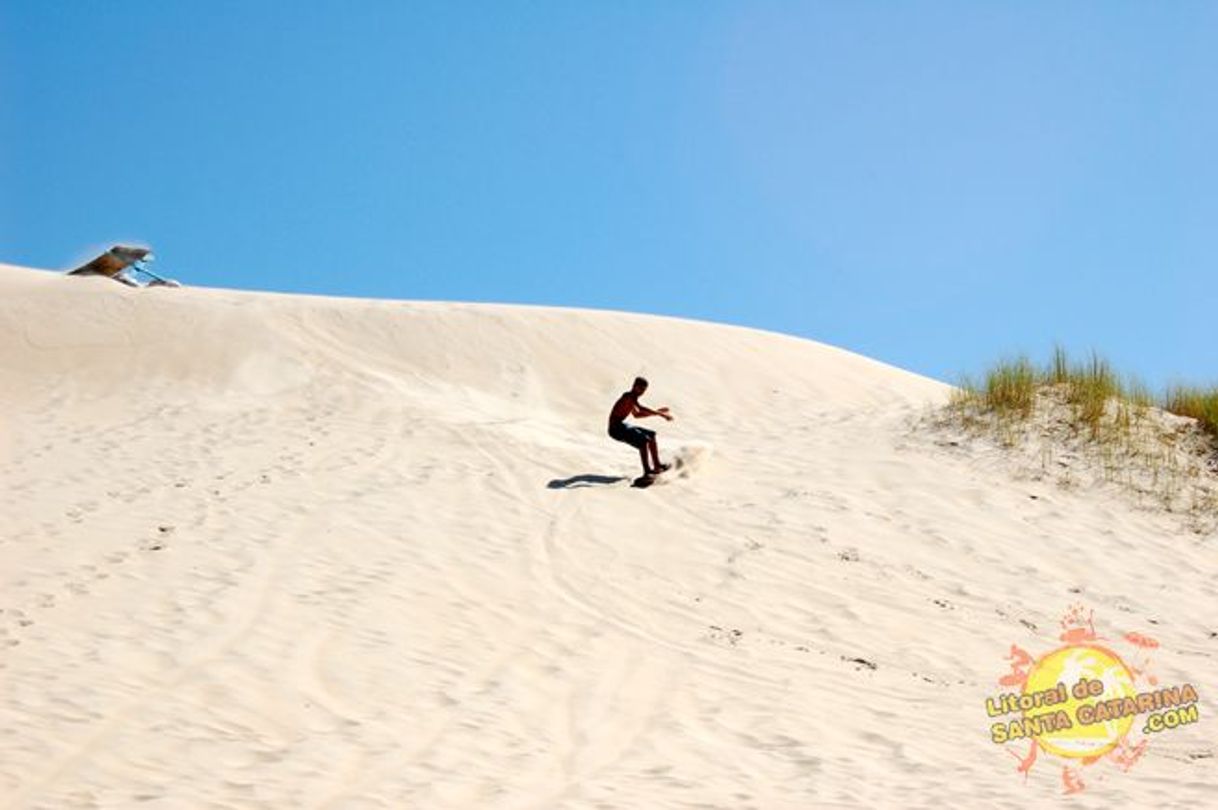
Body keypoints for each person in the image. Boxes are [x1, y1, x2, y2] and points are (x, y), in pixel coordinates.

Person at [608, 376, 673, 477]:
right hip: (615, 429)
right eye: (641, 389)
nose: (642, 392)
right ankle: (647, 472)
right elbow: (641, 408)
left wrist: (657, 413)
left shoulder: (633, 399)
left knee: (651, 435)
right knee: (643, 441)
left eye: (644, 390)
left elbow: (637, 415)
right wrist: (660, 414)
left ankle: (657, 466)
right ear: (634, 386)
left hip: (621, 425)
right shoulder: (628, 396)